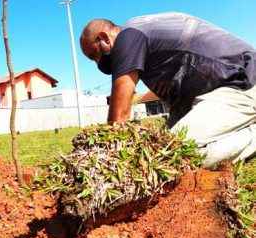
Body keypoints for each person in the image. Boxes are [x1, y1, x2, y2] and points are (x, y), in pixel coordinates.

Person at [80, 12, 256, 167]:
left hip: (242, 80)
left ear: (104, 37)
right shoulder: (145, 47)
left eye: (94, 55)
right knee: (161, 146)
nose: (97, 62)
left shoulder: (129, 36)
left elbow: (119, 117)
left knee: (175, 154)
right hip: (221, 89)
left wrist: (105, 157)